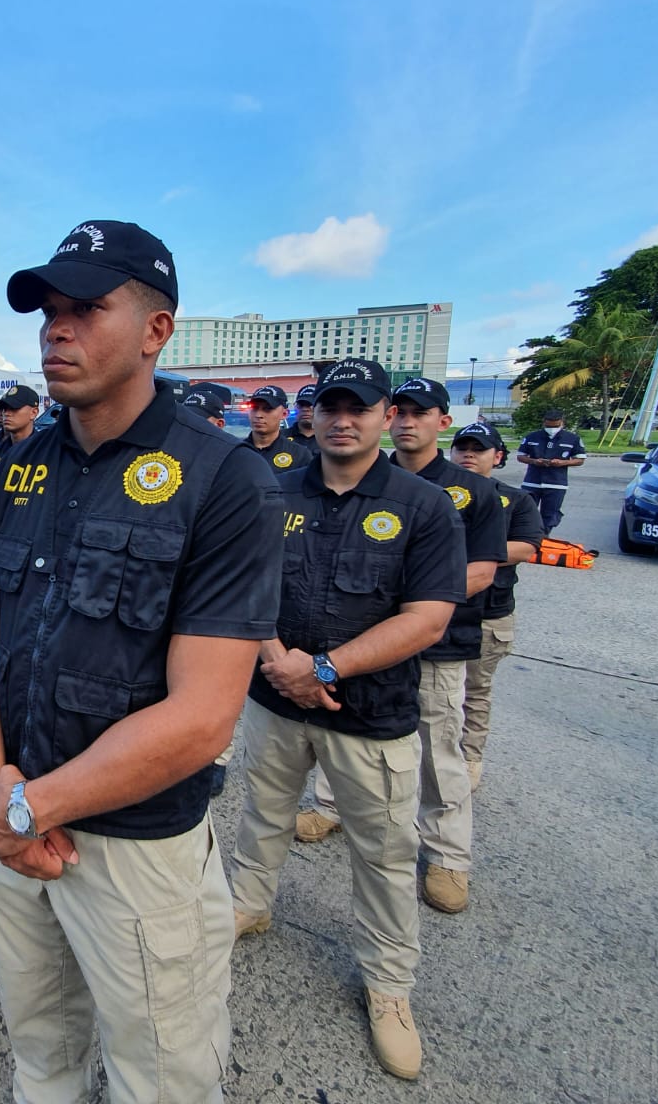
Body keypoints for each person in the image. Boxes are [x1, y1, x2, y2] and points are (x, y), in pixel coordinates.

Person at [0, 220, 282, 1103]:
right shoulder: (21, 462)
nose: (55, 331)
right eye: (47, 313)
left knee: (161, 1070)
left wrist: (26, 809)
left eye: (86, 309)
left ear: (154, 329)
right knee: (39, 1043)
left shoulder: (223, 479)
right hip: (12, 809)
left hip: (131, 845)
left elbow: (203, 717)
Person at [228, 357, 465, 1080]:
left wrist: (323, 668)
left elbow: (427, 618)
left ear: (385, 415)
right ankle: (248, 905)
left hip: (368, 714)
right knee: (262, 814)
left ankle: (388, 985)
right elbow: (241, 586)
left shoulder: (423, 506)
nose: (341, 419)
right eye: (329, 406)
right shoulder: (272, 492)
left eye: (357, 407)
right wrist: (278, 661)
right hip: (274, 697)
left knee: (384, 854)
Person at [300, 377, 506, 917]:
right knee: (338, 731)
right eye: (405, 412)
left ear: (442, 421)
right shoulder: (351, 477)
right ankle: (330, 806)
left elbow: (482, 572)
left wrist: (406, 608)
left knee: (437, 753)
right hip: (351, 646)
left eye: (422, 412)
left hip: (433, 647)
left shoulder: (469, 491)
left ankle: (447, 854)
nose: (410, 422)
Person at [449, 421, 543, 790]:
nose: (469, 455)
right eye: (462, 448)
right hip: (438, 611)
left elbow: (526, 547)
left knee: (474, 692)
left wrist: (473, 551)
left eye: (479, 450)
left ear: (498, 456)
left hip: (488, 614)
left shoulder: (515, 500)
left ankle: (469, 760)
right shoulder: (437, 493)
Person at [181, 380, 244, 798]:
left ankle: (217, 757)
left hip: (218, 601)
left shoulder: (235, 470)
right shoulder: (169, 468)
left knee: (218, 684)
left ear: (218, 423)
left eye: (198, 420)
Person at [517, 407, 586, 532]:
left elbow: (580, 460)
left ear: (562, 422)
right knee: (524, 512)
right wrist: (534, 461)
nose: (552, 429)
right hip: (532, 482)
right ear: (544, 422)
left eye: (555, 426)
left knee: (550, 515)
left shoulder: (572, 438)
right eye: (548, 426)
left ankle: (544, 536)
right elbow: (520, 456)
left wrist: (562, 462)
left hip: (556, 483)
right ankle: (526, 536)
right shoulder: (532, 437)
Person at [0, 384, 39, 486]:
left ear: (33, 413)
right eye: (4, 409)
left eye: (14, 408)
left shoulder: (45, 450)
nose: (6, 413)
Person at [244, 385, 312, 472]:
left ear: (284, 414)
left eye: (267, 409)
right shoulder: (236, 452)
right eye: (254, 408)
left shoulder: (299, 454)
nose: (258, 415)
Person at [286, 383, 319, 452]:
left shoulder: (331, 438)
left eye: (310, 405)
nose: (305, 409)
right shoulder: (281, 437)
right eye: (301, 405)